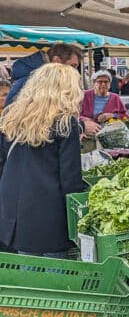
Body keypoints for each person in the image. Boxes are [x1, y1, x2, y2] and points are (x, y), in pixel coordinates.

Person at [0, 63, 85, 257]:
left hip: (13, 205)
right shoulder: (65, 122)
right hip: (48, 212)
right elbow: (70, 179)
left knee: (29, 271)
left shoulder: (12, 115)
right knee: (56, 274)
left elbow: (2, 160)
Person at [6, 43, 83, 105]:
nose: (75, 71)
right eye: (72, 66)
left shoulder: (44, 77)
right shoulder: (31, 79)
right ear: (56, 60)